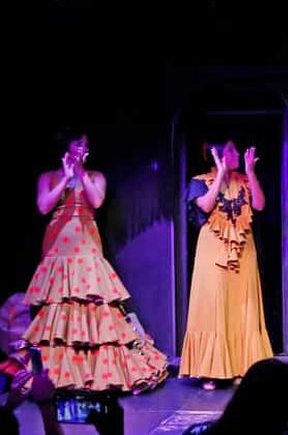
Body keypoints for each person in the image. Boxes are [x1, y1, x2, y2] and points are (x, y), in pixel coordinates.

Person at [22, 129, 168, 392]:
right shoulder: (48, 177)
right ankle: (61, 375)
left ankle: (99, 372)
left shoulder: (95, 176)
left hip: (86, 243)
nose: (83, 148)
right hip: (58, 246)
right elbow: (44, 206)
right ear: (66, 146)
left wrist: (79, 173)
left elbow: (97, 201)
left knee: (94, 306)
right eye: (78, 143)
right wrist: (65, 177)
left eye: (85, 145)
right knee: (59, 309)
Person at [180, 140, 273, 390]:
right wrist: (220, 173)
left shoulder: (244, 180)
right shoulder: (200, 181)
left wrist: (250, 172)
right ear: (218, 153)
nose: (237, 153)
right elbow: (205, 206)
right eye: (231, 150)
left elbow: (259, 205)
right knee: (214, 306)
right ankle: (211, 370)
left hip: (243, 249)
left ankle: (242, 366)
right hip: (214, 250)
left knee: (242, 306)